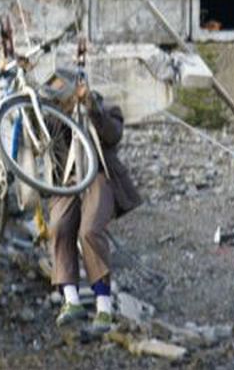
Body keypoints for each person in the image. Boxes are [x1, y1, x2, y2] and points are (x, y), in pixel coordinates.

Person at [43, 69, 142, 333]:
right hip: (67, 179)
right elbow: (41, 134)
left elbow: (112, 134)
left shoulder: (105, 109)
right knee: (59, 228)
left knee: (89, 230)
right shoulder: (53, 115)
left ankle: (103, 304)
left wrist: (89, 106)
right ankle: (71, 300)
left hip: (98, 174)